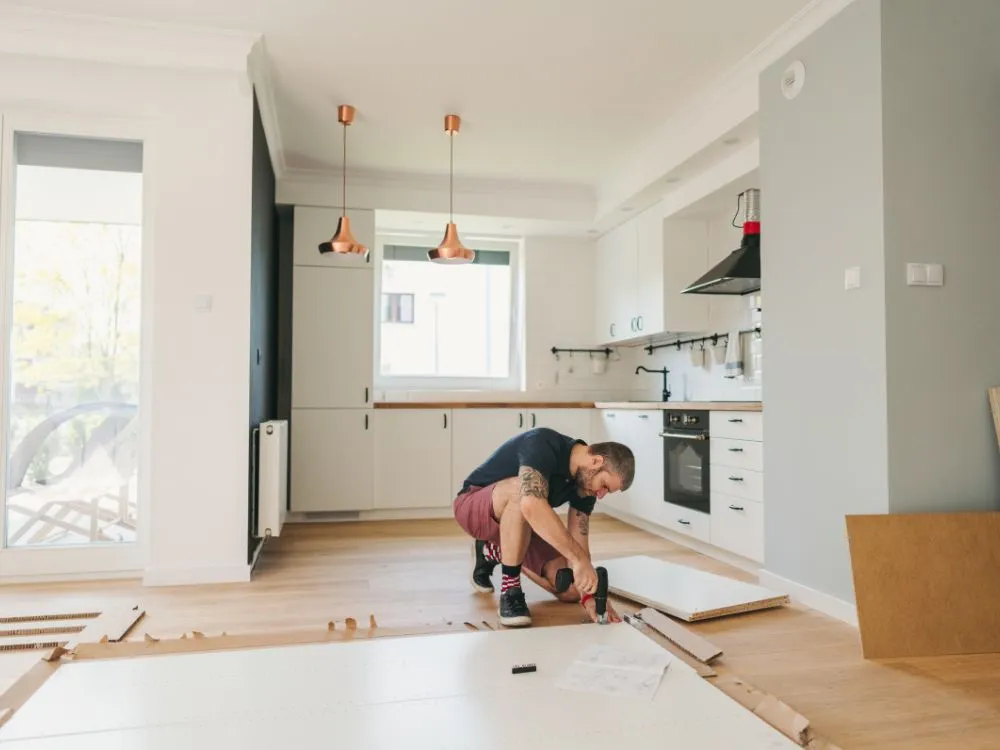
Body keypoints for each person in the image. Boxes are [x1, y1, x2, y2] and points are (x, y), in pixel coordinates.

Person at [452, 426, 634, 627]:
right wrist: (578, 559)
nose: (601, 494)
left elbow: (580, 545)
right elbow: (531, 504)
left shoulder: (585, 487)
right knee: (523, 491)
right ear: (596, 461)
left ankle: (490, 551)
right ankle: (510, 591)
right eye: (605, 486)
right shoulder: (542, 443)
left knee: (570, 587)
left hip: (520, 525)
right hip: (474, 507)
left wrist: (589, 595)